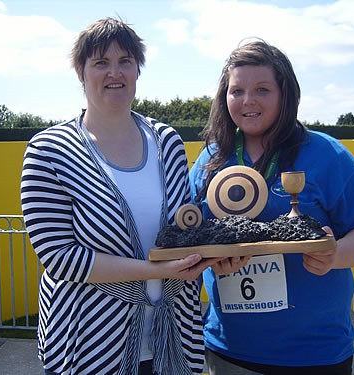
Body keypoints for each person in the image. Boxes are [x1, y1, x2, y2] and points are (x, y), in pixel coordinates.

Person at [20, 17, 219, 375]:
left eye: (125, 61)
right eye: (100, 63)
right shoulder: (50, 150)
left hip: (172, 343)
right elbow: (60, 257)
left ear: (138, 70)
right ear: (81, 72)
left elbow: (186, 228)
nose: (115, 73)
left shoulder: (166, 141)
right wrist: (154, 271)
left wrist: (219, 253)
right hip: (89, 347)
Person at [189, 38, 354, 375]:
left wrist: (334, 254)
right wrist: (210, 259)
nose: (248, 101)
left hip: (314, 354)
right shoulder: (209, 161)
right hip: (227, 351)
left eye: (262, 89)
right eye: (237, 91)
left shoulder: (328, 154)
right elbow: (193, 236)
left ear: (285, 94)